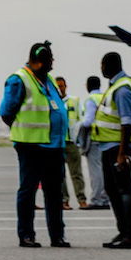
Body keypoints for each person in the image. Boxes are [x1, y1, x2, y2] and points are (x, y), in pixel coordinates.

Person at [0, 42, 70, 248]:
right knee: (28, 190)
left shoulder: (48, 80)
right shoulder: (18, 80)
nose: (53, 65)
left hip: (54, 145)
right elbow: (6, 111)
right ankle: (26, 235)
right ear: (38, 61)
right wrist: (22, 131)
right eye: (50, 61)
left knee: (54, 192)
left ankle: (57, 235)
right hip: (31, 145)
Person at [88, 52, 131, 250]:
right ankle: (124, 231)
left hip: (116, 148)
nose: (101, 68)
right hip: (108, 146)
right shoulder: (114, 87)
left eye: (102, 64)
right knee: (112, 190)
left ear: (108, 65)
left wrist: (122, 154)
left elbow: (127, 123)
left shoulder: (122, 89)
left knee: (124, 191)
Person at [75, 75, 109, 210]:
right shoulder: (105, 96)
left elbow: (88, 121)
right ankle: (105, 199)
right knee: (104, 171)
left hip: (94, 139)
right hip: (106, 138)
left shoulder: (91, 99)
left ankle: (96, 199)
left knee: (96, 172)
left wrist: (77, 128)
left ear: (88, 86)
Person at [54, 76, 85, 210]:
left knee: (76, 173)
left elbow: (81, 120)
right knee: (60, 175)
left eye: (61, 86)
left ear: (66, 86)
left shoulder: (74, 101)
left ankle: (81, 199)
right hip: (57, 143)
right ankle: (63, 200)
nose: (59, 89)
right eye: (57, 87)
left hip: (71, 142)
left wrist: (79, 140)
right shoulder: (51, 102)